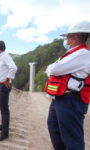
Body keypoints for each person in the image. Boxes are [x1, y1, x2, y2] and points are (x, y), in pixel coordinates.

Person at [45, 21, 90, 150]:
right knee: (54, 128)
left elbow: (55, 69)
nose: (66, 40)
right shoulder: (71, 53)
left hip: (71, 100)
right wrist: (52, 68)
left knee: (72, 138)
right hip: (60, 98)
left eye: (68, 37)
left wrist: (53, 69)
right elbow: (52, 69)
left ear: (76, 37)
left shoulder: (83, 54)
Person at [0, 41, 17, 141]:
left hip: (3, 86)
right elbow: (2, 70)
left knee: (4, 108)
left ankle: (5, 132)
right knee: (1, 107)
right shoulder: (1, 57)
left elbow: (14, 68)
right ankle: (3, 125)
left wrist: (7, 79)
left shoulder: (5, 56)